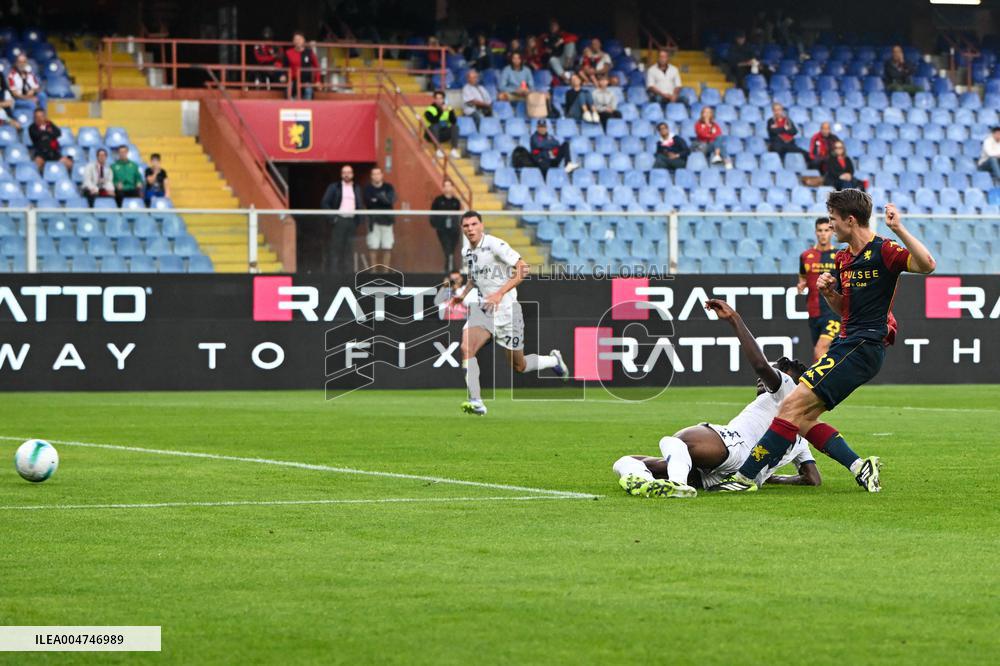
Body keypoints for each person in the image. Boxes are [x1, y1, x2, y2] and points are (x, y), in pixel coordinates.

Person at [716, 192, 937, 492]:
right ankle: (861, 467)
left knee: (790, 405)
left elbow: (927, 265)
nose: (830, 226)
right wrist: (829, 294)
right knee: (803, 420)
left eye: (833, 219)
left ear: (850, 220)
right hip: (848, 343)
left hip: (864, 345)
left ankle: (745, 477)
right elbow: (846, 310)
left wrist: (898, 228)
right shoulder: (843, 258)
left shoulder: (884, 250)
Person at [613, 299, 820, 498]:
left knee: (678, 441)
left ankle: (677, 484)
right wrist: (770, 478)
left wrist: (734, 319)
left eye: (779, 373)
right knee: (628, 461)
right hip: (730, 474)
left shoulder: (788, 391)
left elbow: (760, 365)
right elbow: (812, 478)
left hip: (735, 447)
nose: (763, 378)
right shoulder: (800, 432)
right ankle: (645, 481)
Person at [447, 211, 570, 415]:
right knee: (466, 347)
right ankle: (476, 400)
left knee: (519, 365)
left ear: (482, 225)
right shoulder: (466, 251)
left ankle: (553, 360)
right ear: (462, 229)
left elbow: (523, 268)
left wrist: (499, 293)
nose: (470, 229)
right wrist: (463, 294)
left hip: (507, 311)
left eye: (474, 224)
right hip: (485, 309)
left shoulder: (496, 244)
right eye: (466, 226)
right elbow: (474, 277)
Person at [797, 218, 841, 361]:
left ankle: (818, 383)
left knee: (820, 348)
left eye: (827, 230)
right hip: (814, 312)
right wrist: (802, 283)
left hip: (832, 311)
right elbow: (803, 276)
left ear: (832, 232)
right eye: (820, 231)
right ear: (816, 232)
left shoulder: (840, 256)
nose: (823, 234)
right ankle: (831, 382)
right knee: (820, 355)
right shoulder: (805, 256)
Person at [319, 164, 365, 274]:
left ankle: (348, 276)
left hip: (352, 221)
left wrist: (359, 220)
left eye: (349, 172)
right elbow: (324, 203)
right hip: (339, 221)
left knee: (349, 249)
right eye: (344, 173)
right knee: (336, 249)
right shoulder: (334, 187)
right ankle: (334, 275)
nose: (346, 175)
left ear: (352, 174)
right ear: (341, 175)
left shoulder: (356, 188)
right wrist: (333, 218)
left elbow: (359, 205)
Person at [362, 167, 396, 270]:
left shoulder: (389, 187)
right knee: (373, 247)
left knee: (387, 247)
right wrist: (382, 198)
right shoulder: (368, 189)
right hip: (374, 222)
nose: (376, 176)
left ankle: (385, 273)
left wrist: (377, 199)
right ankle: (374, 272)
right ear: (371, 176)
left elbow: (390, 201)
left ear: (382, 175)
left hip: (387, 222)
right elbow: (368, 202)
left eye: (378, 174)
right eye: (374, 174)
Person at [431, 178, 463, 272]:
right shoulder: (438, 200)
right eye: (445, 186)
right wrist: (436, 225)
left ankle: (451, 269)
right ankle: (448, 269)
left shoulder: (456, 201)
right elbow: (432, 214)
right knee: (447, 248)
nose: (447, 188)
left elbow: (458, 215)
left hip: (454, 229)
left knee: (452, 249)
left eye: (449, 185)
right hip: (442, 230)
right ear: (443, 188)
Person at [28, 108, 72, 173]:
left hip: (53, 152)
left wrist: (47, 132)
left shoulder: (49, 124)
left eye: (41, 116)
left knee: (69, 164)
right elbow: (37, 135)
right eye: (37, 117)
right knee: (36, 165)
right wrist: (48, 132)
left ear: (45, 117)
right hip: (41, 153)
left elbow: (58, 133)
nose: (39, 119)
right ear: (34, 118)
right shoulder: (32, 127)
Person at [424, 90, 461, 159]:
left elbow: (454, 122)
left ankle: (454, 150)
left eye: (441, 98)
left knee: (455, 127)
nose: (439, 100)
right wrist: (441, 111)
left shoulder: (448, 108)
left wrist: (451, 112)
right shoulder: (429, 109)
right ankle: (438, 150)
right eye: (437, 98)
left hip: (442, 134)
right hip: (431, 135)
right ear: (434, 99)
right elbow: (433, 121)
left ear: (443, 99)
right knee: (435, 126)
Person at [284, 32, 319, 100]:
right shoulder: (288, 53)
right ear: (293, 41)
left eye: (300, 39)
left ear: (304, 40)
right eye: (296, 39)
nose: (298, 41)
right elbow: (283, 67)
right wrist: (283, 76)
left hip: (306, 81)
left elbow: (316, 67)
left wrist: (317, 80)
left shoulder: (309, 52)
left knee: (308, 91)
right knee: (288, 91)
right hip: (293, 80)